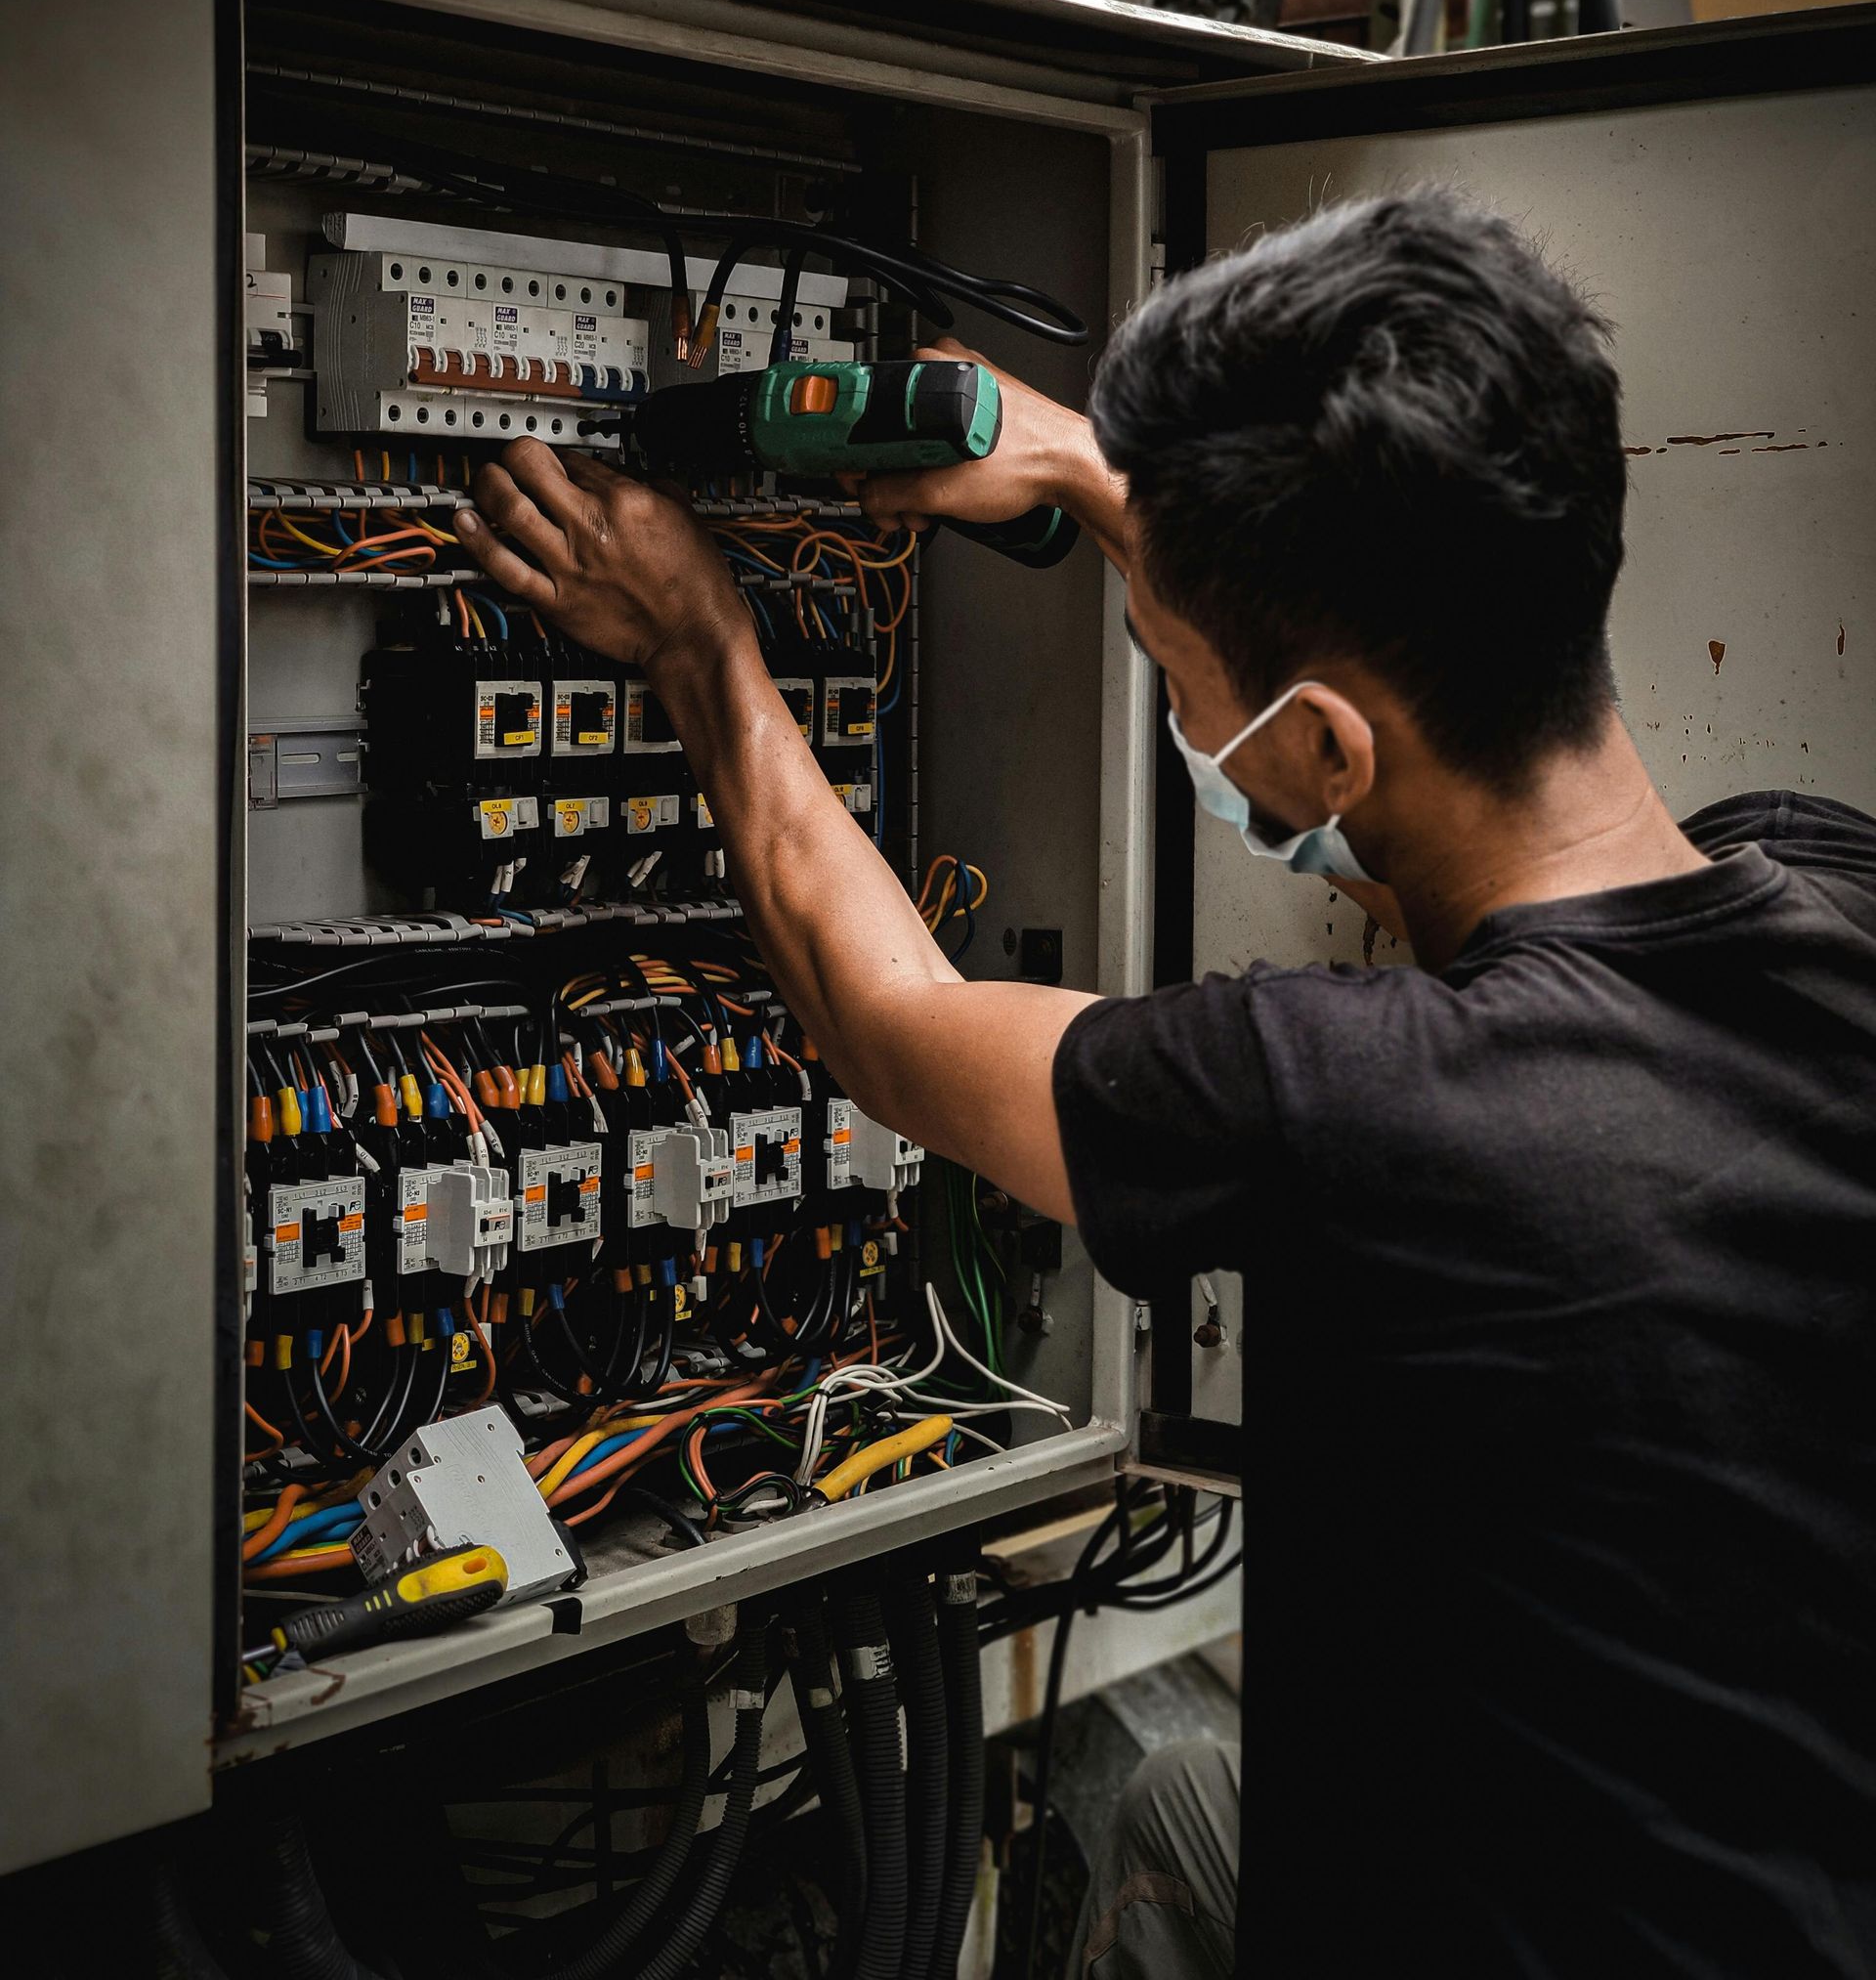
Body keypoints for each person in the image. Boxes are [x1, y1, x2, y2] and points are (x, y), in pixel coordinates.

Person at [451, 190, 1876, 1977]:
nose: (1177, 713)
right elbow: (1439, 776)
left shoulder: (1352, 1102)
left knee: (1154, 1830)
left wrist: (698, 645)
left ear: (1324, 746)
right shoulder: (1830, 885)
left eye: (1179, 679)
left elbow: (888, 1021)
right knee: (1171, 1805)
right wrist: (1087, 475)